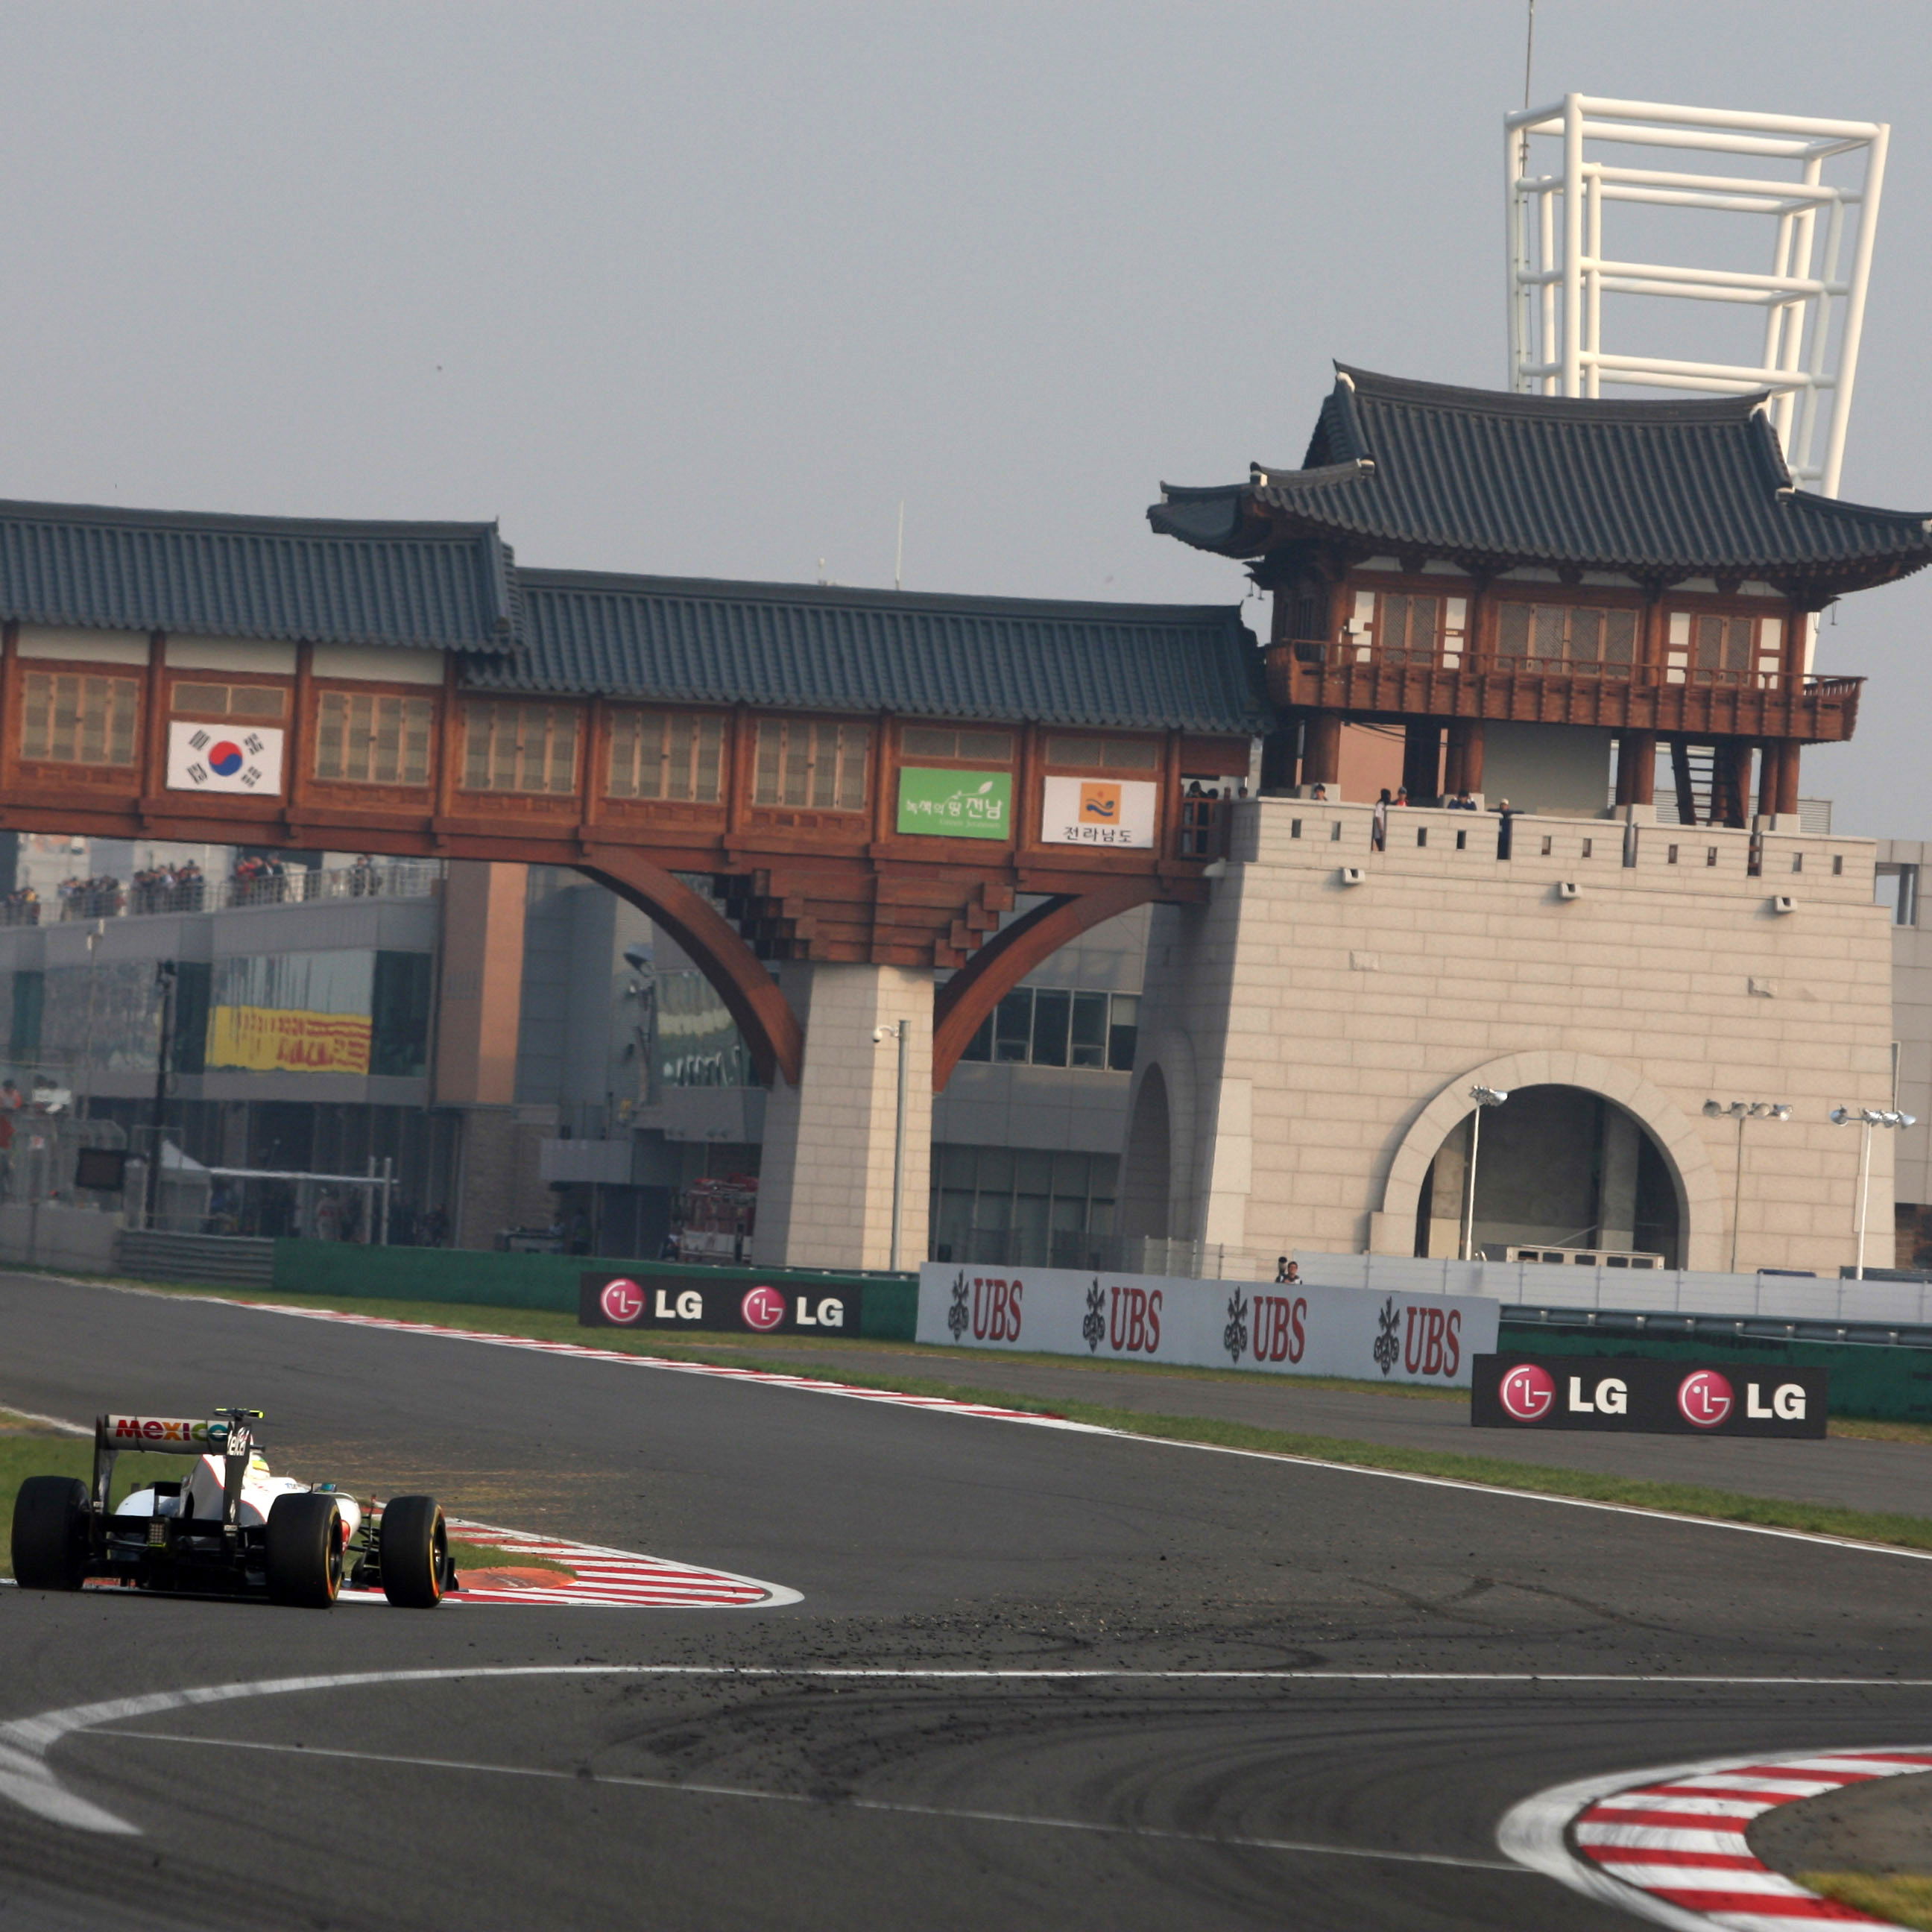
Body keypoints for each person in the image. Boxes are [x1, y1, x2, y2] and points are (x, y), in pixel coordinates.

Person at [1371, 788, 1390, 852]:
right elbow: (1378, 817)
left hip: (1384, 833)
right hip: (1379, 834)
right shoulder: (1380, 805)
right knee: (1381, 850)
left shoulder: (1386, 805)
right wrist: (1381, 830)